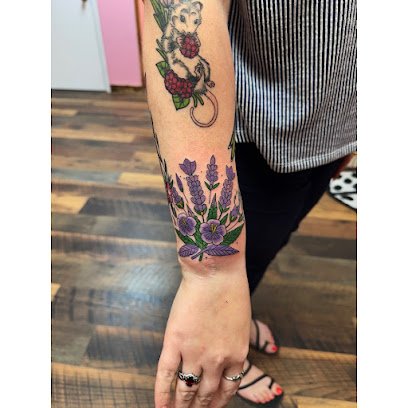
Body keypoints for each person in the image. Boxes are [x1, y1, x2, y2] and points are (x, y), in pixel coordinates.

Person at [142, 0, 356, 406]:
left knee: (276, 236)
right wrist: (211, 275)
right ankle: (231, 337)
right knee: (248, 251)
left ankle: (240, 312)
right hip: (258, 127)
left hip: (337, 121)